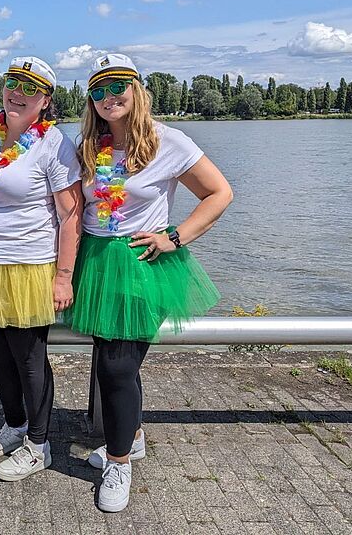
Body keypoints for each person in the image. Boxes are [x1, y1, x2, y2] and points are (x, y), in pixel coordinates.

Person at [65, 54, 233, 512]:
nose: (108, 97)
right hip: (96, 260)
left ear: (137, 89)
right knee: (111, 359)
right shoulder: (87, 144)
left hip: (140, 261)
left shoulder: (168, 141)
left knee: (117, 367)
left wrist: (175, 236)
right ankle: (131, 437)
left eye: (117, 86)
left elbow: (219, 193)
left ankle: (118, 462)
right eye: (98, 90)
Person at [0, 56, 82, 482]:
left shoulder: (54, 143)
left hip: (28, 262)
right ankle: (14, 424)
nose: (19, 93)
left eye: (31, 88)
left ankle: (39, 443)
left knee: (29, 358)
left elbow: (71, 215)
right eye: (14, 82)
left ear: (46, 100)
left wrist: (63, 276)